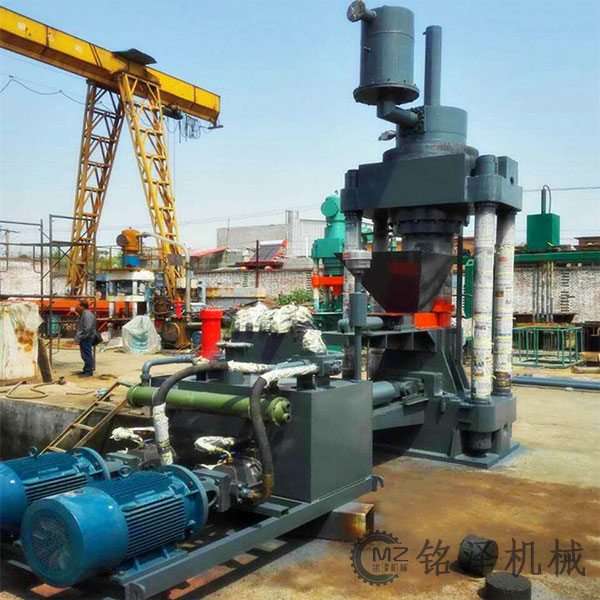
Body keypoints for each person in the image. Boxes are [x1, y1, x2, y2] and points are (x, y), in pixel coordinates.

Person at [74, 300, 97, 377]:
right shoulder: (83, 314)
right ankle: (86, 369)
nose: (76, 307)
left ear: (82, 306)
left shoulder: (87, 315)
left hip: (87, 338)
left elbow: (87, 328)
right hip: (84, 337)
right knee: (84, 355)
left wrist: (83, 337)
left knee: (87, 354)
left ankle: (89, 371)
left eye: (78, 306)